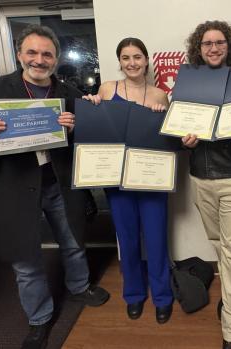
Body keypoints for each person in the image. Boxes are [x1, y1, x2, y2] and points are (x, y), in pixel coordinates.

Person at [0, 24, 109, 349]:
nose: (39, 60)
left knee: (73, 241)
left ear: (54, 58)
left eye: (46, 54)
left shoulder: (68, 92)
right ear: (19, 54)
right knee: (26, 261)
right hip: (15, 187)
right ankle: (39, 319)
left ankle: (80, 287)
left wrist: (78, 127)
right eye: (32, 52)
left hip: (60, 184)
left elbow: (88, 139)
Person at [83, 37, 173, 324]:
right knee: (128, 239)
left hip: (150, 180)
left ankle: (162, 297)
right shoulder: (108, 89)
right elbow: (98, 129)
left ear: (146, 60)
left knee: (157, 240)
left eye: (137, 57)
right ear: (119, 62)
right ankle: (133, 295)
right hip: (117, 179)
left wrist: (162, 116)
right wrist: (93, 105)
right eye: (125, 57)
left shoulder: (160, 95)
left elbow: (168, 140)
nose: (132, 63)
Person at [183, 21, 231, 349]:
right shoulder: (188, 85)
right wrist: (183, 141)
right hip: (201, 179)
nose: (213, 48)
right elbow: (174, 131)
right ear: (199, 48)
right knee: (219, 245)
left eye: (220, 42)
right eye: (207, 43)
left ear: (230, 47)